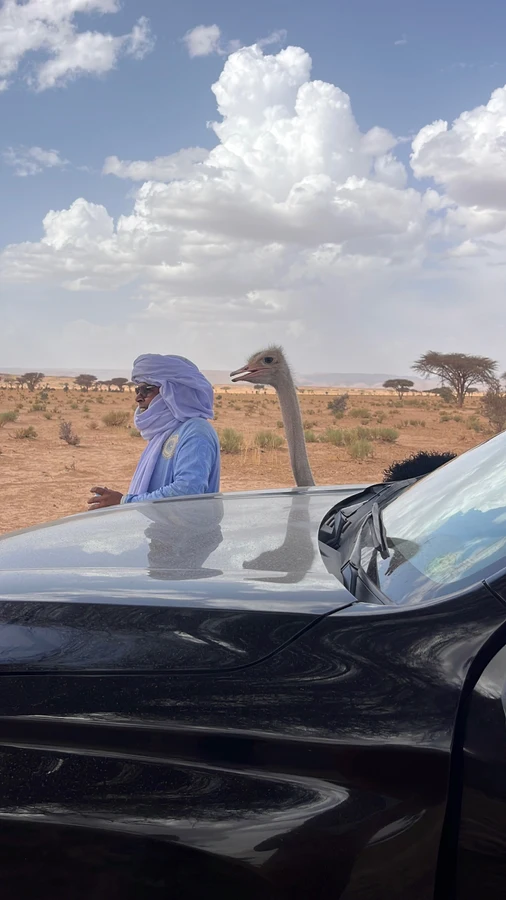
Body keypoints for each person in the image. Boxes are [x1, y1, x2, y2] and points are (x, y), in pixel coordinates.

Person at [88, 353, 220, 510]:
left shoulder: (196, 431)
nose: (138, 398)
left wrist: (125, 502)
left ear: (174, 392)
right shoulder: (166, 432)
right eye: (137, 390)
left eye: (146, 390)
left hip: (188, 534)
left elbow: (187, 492)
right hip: (162, 531)